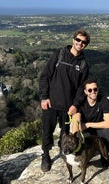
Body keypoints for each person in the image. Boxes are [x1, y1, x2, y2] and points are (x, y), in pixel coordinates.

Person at [39, 29, 90, 172]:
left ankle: (64, 151)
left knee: (65, 133)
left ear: (86, 44)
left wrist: (75, 105)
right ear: (73, 40)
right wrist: (44, 96)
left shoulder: (84, 64)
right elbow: (45, 76)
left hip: (68, 107)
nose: (80, 43)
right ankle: (46, 155)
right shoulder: (60, 54)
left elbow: (82, 88)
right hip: (51, 103)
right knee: (47, 131)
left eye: (84, 42)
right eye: (78, 40)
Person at [71, 79, 109, 166]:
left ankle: (104, 154)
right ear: (85, 92)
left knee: (108, 133)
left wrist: (88, 124)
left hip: (98, 129)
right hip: (86, 132)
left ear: (98, 89)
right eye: (90, 90)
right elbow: (76, 120)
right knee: (81, 138)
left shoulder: (104, 101)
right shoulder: (80, 102)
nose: (93, 92)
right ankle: (84, 156)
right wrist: (75, 136)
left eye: (95, 89)